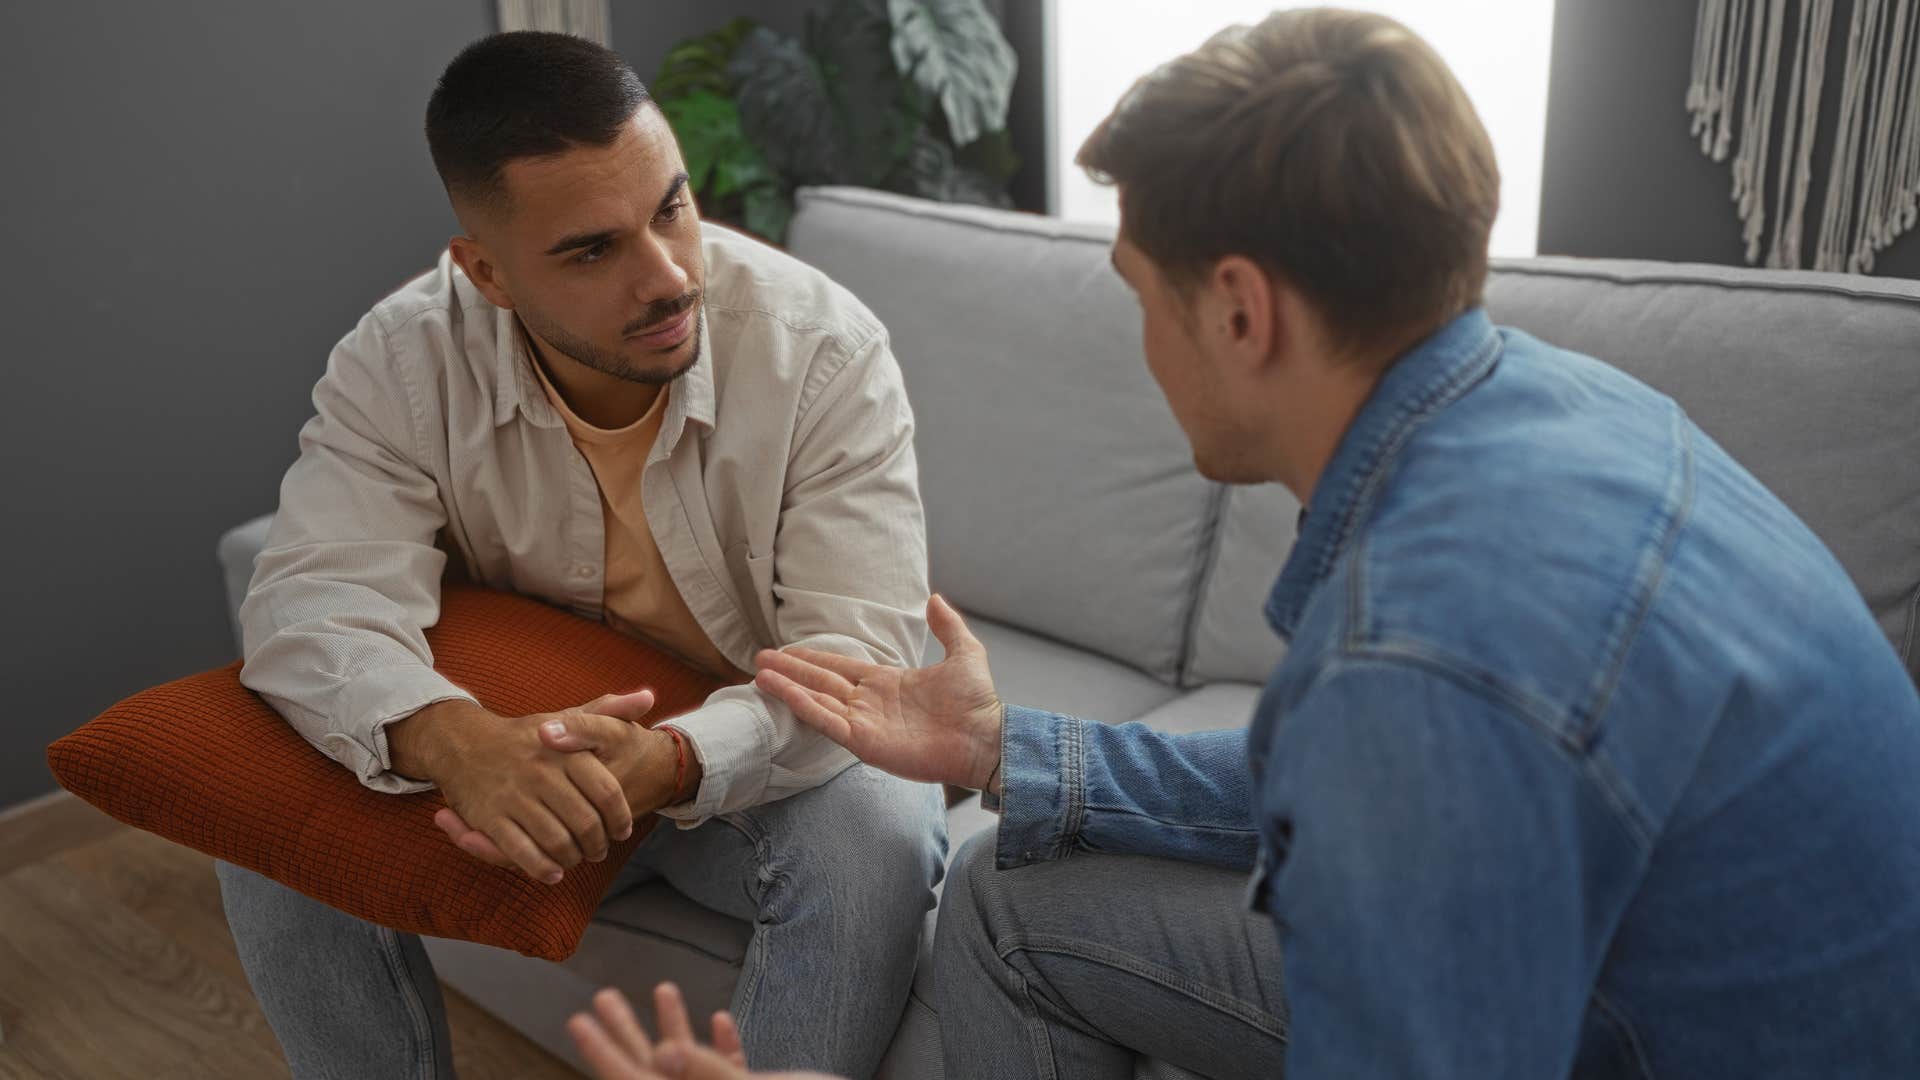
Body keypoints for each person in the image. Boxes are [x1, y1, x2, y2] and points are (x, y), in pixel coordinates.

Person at [562, 8, 1920, 1079]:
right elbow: (1315, 772)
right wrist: (996, 750)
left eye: (1138, 298)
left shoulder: (1428, 657)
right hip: (1660, 970)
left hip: (1652, 1038)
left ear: (1240, 311)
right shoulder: (1561, 408)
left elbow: (1402, 757)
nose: (1140, 345)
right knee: (1003, 900)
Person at [217, 30, 946, 1079]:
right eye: (591, 250)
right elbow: (307, 600)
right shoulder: (403, 357)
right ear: (486, 273)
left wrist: (673, 762)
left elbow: (858, 664)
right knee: (272, 819)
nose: (667, 276)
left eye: (672, 208)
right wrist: (456, 742)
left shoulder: (822, 353)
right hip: (519, 760)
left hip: (742, 768)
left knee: (874, 832)